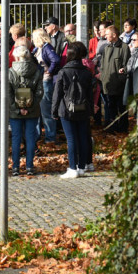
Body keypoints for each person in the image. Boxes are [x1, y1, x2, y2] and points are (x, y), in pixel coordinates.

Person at [51, 41, 93, 179]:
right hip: (83, 109)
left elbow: (57, 94)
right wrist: (91, 110)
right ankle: (81, 167)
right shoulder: (86, 73)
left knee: (71, 139)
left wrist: (54, 111)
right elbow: (90, 94)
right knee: (82, 138)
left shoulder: (63, 72)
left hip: (66, 109)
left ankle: (72, 167)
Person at [8, 45, 44, 174]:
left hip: (14, 112)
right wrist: (30, 107)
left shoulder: (10, 72)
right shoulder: (36, 71)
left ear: (15, 57)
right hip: (32, 111)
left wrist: (18, 109)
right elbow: (40, 92)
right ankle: (29, 166)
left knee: (16, 138)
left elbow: (8, 95)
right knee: (30, 138)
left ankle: (15, 167)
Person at [97, 25, 130, 132]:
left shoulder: (124, 47)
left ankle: (122, 128)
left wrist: (122, 74)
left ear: (114, 35)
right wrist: (102, 77)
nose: (105, 36)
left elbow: (127, 65)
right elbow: (103, 65)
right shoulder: (107, 48)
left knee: (121, 107)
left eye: (107, 34)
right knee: (110, 107)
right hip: (107, 83)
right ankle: (112, 128)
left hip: (119, 84)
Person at [31, 28, 60, 143]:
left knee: (46, 110)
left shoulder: (47, 47)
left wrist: (50, 71)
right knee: (37, 110)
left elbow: (56, 60)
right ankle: (38, 136)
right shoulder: (37, 48)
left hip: (45, 81)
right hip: (39, 81)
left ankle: (50, 137)